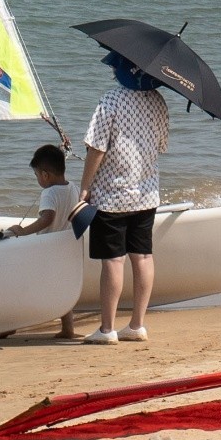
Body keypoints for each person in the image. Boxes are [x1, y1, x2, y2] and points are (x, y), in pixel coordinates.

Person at [73, 52, 171, 345]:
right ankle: (137, 325)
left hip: (111, 195)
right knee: (142, 257)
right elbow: (162, 145)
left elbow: (96, 148)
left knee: (113, 262)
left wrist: (85, 187)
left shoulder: (111, 100)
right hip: (146, 193)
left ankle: (106, 329)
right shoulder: (159, 101)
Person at [0, 141, 93, 340]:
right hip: (67, 246)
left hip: (47, 250)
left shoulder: (48, 192)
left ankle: (11, 324)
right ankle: (68, 329)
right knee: (63, 287)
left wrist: (22, 231)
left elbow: (47, 219)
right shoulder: (72, 188)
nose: (38, 179)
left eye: (37, 175)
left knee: (23, 284)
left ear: (45, 175)